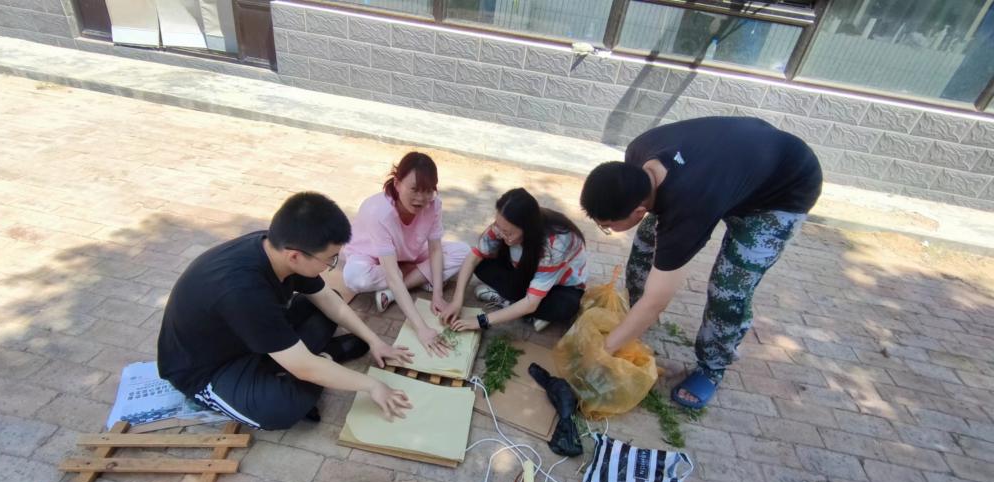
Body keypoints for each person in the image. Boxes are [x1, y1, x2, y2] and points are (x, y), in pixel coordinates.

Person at [580, 116, 822, 410]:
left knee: (729, 289)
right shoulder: (638, 153)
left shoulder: (688, 204)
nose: (606, 229)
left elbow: (657, 300)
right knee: (645, 246)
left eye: (607, 226)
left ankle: (712, 368)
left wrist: (603, 352)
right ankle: (633, 318)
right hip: (735, 166)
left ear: (639, 210)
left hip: (779, 193)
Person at [157, 192, 414, 430]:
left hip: (247, 335)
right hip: (210, 369)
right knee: (282, 409)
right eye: (330, 259)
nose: (331, 266)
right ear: (295, 257)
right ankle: (325, 358)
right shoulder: (243, 291)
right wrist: (372, 385)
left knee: (327, 304)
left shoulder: (276, 247)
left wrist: (375, 341)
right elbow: (304, 369)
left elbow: (326, 298)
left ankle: (307, 361)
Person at [343, 151, 470, 356]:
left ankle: (392, 292)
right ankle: (416, 277)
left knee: (463, 252)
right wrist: (422, 329)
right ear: (397, 183)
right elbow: (392, 276)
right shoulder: (379, 212)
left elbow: (435, 249)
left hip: (408, 254)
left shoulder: (434, 205)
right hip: (372, 257)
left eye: (428, 190)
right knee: (354, 278)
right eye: (414, 189)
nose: (421, 198)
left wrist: (438, 295)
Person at [441, 188, 588, 333]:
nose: (500, 234)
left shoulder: (555, 243)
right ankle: (523, 309)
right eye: (498, 226)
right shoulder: (503, 225)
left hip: (559, 288)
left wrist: (481, 321)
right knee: (480, 264)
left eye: (508, 233)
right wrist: (456, 301)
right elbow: (473, 257)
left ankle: (514, 305)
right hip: (526, 275)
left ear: (528, 229)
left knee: (566, 307)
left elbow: (531, 303)